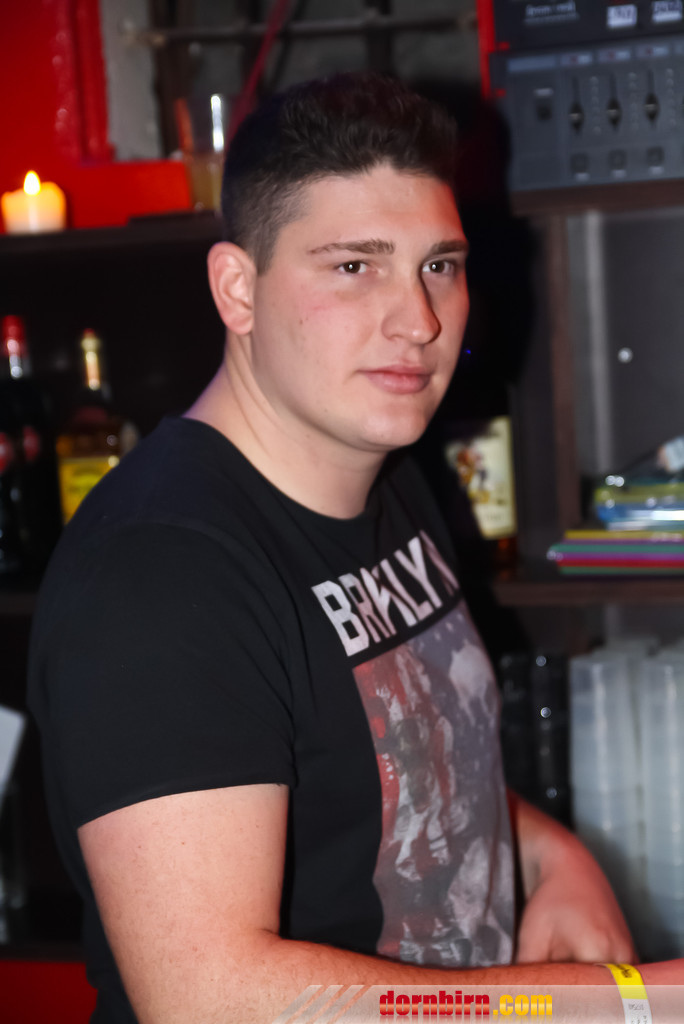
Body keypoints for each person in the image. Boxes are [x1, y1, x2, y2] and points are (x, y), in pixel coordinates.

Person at [28, 72, 682, 1024]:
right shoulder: (161, 575)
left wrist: (554, 856)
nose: (419, 320)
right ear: (237, 289)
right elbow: (205, 998)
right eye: (353, 267)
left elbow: (394, 766)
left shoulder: (385, 475)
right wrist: (627, 1003)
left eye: (439, 264)